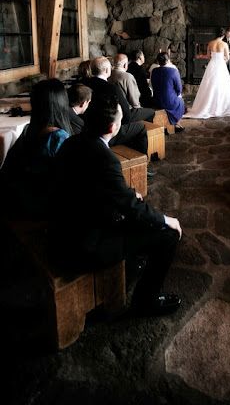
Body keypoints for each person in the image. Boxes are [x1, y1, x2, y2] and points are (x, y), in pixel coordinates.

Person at [48, 95, 182, 316]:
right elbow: (131, 207)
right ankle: (147, 300)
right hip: (84, 244)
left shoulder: (72, 142)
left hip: (66, 226)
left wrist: (127, 196)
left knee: (135, 205)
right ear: (113, 127)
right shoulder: (105, 157)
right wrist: (167, 219)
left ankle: (133, 262)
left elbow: (89, 187)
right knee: (167, 235)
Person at [1, 79, 72, 219]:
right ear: (62, 103)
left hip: (20, 200)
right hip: (42, 208)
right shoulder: (58, 137)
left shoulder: (29, 130)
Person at [185, 29, 230, 119]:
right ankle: (220, 107)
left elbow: (208, 57)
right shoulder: (224, 44)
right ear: (223, 36)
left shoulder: (210, 43)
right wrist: (222, 60)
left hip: (212, 64)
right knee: (221, 85)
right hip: (221, 65)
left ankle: (208, 106)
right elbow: (227, 57)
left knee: (209, 85)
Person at [151, 52, 186, 131]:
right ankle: (175, 123)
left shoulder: (154, 71)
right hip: (169, 101)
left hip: (156, 100)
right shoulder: (173, 71)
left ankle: (169, 123)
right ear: (168, 60)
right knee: (181, 102)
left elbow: (152, 85)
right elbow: (179, 89)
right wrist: (176, 95)